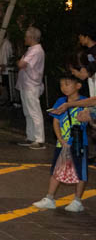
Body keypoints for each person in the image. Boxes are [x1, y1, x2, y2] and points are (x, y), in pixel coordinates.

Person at [32, 75, 88, 213]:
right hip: (61, 144)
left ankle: (77, 200)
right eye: (62, 85)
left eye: (67, 84)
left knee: (80, 172)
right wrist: (60, 139)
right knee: (56, 171)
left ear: (78, 86)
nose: (64, 87)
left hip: (79, 143)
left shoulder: (85, 102)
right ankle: (49, 198)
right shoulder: (60, 101)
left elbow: (87, 120)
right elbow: (56, 121)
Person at [17, 26, 46, 149]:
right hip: (27, 84)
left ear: (31, 37)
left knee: (34, 112)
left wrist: (21, 61)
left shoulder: (36, 50)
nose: (25, 38)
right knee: (28, 112)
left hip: (31, 85)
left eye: (26, 36)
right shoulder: (32, 49)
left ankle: (39, 139)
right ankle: (31, 137)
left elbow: (21, 64)